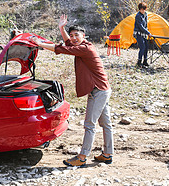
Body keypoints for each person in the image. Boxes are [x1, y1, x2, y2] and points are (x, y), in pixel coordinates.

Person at [31, 15, 113, 167]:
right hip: (103, 89)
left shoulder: (85, 48)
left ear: (84, 36)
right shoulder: (82, 46)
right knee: (105, 123)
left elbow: (62, 48)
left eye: (77, 35)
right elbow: (68, 44)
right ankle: (108, 154)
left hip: (98, 91)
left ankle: (82, 157)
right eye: (73, 35)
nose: (74, 38)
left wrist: (40, 43)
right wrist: (61, 28)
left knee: (89, 124)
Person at [133, 2, 151, 68]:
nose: (143, 11)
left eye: (144, 9)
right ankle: (139, 62)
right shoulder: (138, 16)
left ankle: (145, 61)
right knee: (142, 47)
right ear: (139, 9)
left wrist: (147, 32)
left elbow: (145, 25)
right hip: (138, 33)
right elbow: (140, 26)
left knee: (146, 47)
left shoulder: (145, 14)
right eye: (141, 9)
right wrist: (148, 32)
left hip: (144, 33)